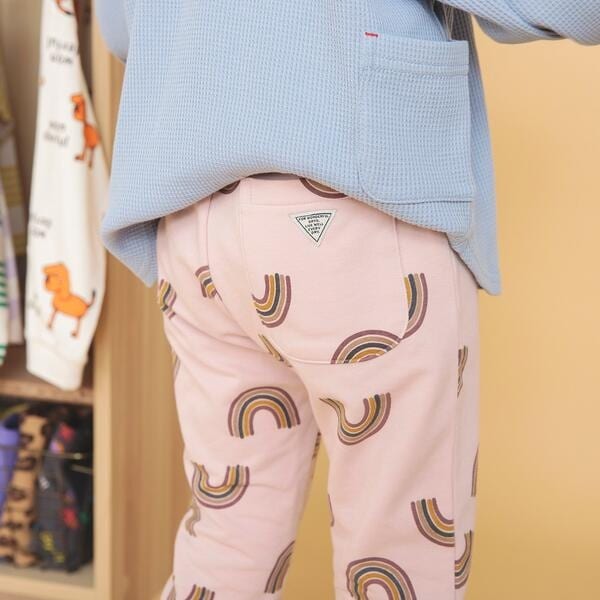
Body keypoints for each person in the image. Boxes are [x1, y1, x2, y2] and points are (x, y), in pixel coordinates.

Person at [95, 1, 600, 598]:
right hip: (355, 216)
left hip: (196, 226)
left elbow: (120, 27)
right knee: (401, 558)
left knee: (228, 537)